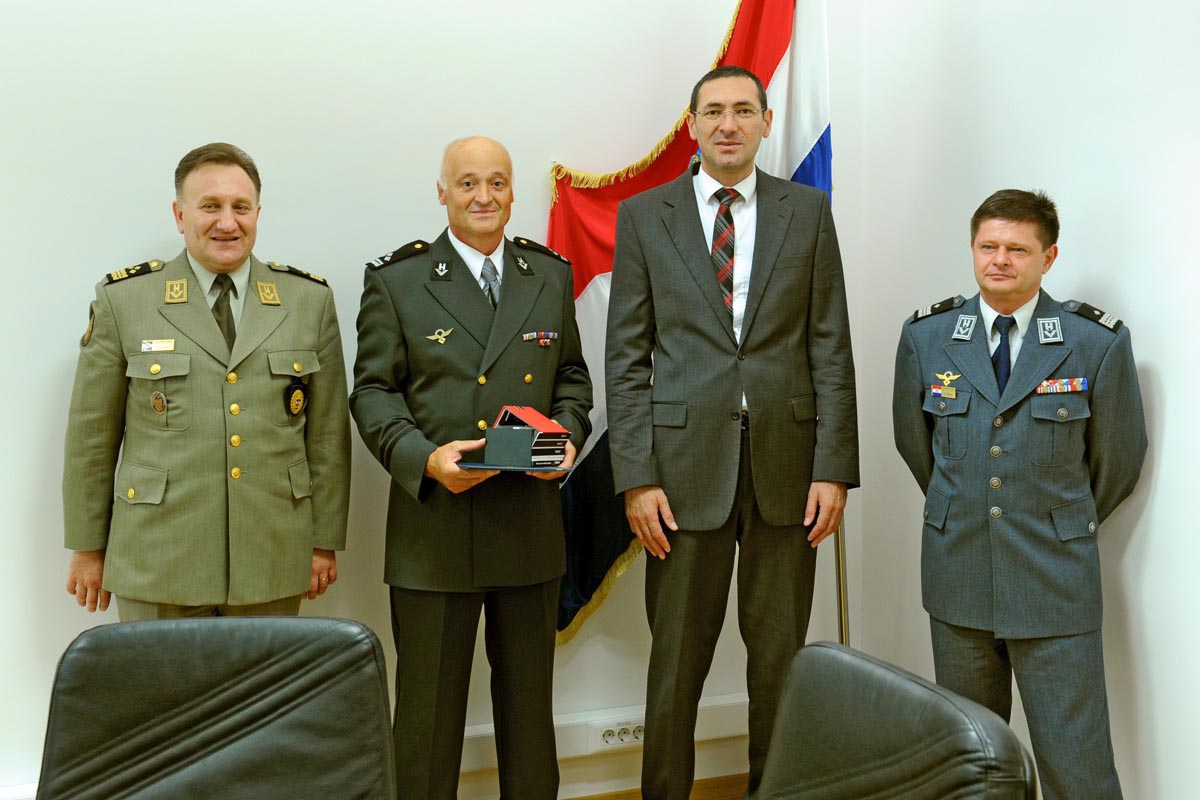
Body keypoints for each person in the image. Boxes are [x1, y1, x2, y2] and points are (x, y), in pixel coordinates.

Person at [605, 66, 860, 798]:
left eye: (743, 110)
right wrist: (637, 477)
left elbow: (830, 345)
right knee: (675, 665)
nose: (727, 124)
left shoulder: (807, 211)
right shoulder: (645, 216)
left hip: (790, 469)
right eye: (713, 111)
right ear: (692, 124)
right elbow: (626, 357)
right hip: (681, 474)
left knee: (780, 664)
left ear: (766, 121)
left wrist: (833, 467)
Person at [349, 136, 592, 799]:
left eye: (497, 183)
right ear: (442, 193)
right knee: (426, 726)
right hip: (435, 529)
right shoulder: (398, 280)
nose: (483, 196)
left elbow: (571, 377)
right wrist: (423, 458)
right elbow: (372, 391)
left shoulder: (549, 274)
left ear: (513, 193)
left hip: (527, 525)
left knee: (529, 721)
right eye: (467, 183)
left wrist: (567, 438)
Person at [892, 189, 1146, 799]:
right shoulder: (927, 336)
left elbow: (1116, 462)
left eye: (1017, 249)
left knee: (1078, 767)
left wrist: (1057, 519)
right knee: (969, 767)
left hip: (1054, 581)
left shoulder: (1094, 341)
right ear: (972, 249)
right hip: (958, 578)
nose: (999, 260)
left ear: (1048, 257)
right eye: (988, 246)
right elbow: (916, 446)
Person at [62, 142, 351, 620]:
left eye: (241, 207)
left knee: (263, 674)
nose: (227, 222)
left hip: (273, 553)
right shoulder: (126, 300)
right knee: (158, 674)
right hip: (156, 556)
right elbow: (92, 436)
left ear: (258, 213)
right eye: (210, 206)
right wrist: (88, 548)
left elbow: (327, 437)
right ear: (180, 215)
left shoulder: (308, 301)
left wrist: (323, 542)